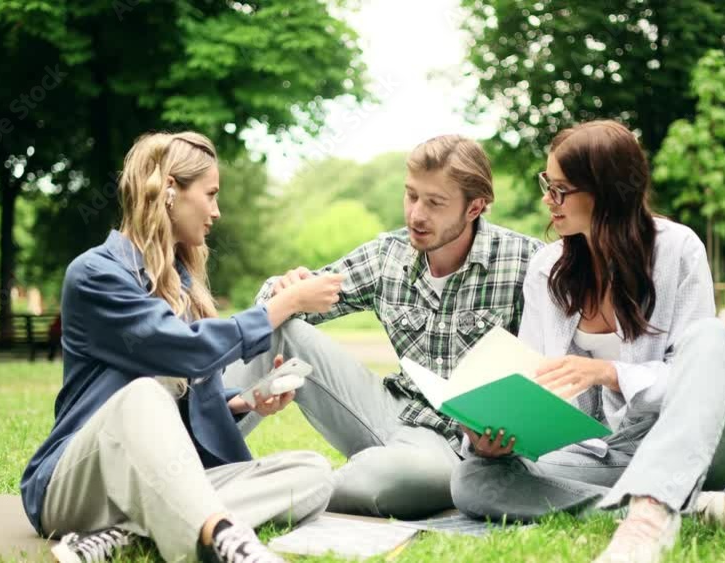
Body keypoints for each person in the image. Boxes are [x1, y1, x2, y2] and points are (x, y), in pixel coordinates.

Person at [448, 120, 725, 563]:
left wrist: (610, 372)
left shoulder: (679, 249)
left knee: (712, 336)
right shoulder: (547, 269)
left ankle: (649, 520)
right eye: (547, 184)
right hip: (606, 450)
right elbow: (533, 378)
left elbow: (697, 377)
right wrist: (497, 435)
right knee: (473, 480)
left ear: (607, 193)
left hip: (699, 440)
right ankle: (670, 507)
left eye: (561, 189)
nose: (548, 199)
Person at [20, 131, 345, 563]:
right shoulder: (96, 274)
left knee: (313, 473)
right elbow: (184, 352)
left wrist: (242, 403)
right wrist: (281, 306)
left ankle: (125, 536)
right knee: (140, 395)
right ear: (170, 190)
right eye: (209, 194)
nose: (216, 210)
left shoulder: (181, 285)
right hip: (77, 482)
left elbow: (182, 390)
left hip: (157, 479)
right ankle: (226, 540)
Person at [224, 134, 543, 519]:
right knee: (278, 325)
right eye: (411, 196)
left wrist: (502, 437)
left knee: (390, 482)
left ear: (474, 207)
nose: (416, 215)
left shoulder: (527, 262)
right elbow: (274, 310)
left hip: (453, 447)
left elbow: (553, 372)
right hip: (388, 409)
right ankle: (201, 461)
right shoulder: (386, 254)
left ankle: (268, 491)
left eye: (435, 202)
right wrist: (284, 291)